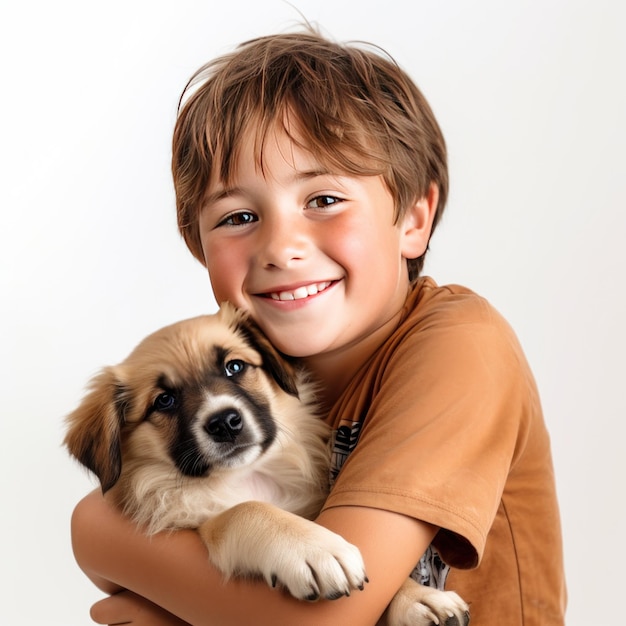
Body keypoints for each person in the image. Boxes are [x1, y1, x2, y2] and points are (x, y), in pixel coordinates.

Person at [70, 27, 567, 625]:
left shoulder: (462, 348)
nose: (281, 247)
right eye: (239, 215)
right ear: (198, 247)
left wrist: (139, 579)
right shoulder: (276, 365)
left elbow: (319, 619)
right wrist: (97, 534)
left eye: (324, 199)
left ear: (413, 218)